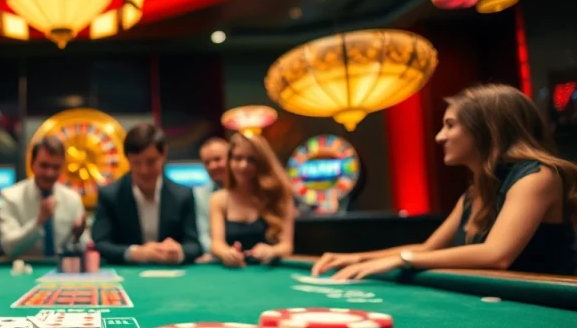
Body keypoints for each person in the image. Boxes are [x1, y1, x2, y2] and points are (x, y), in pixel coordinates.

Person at [312, 84, 577, 278]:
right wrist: (358, 257)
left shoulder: (537, 176)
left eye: (450, 125)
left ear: (486, 129)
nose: (440, 137)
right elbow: (427, 248)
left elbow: (496, 255)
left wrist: (403, 260)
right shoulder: (474, 193)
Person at [92, 123, 201, 264]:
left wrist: (179, 251)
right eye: (136, 163)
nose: (144, 170)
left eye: (151, 161)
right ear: (127, 159)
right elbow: (100, 244)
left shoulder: (183, 195)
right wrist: (136, 252)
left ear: (164, 154)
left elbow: (194, 245)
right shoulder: (110, 195)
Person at [209, 133, 295, 268]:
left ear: (262, 163)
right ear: (229, 161)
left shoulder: (280, 195)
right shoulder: (219, 199)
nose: (243, 165)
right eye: (238, 158)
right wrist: (227, 253)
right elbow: (217, 244)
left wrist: (271, 250)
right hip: (233, 271)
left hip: (268, 271)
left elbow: (286, 246)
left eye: (251, 160)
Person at [0, 137, 87, 257]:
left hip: (60, 267)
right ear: (32, 164)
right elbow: (8, 247)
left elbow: (84, 248)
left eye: (56, 167)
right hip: (24, 267)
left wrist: (77, 236)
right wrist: (38, 222)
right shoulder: (10, 197)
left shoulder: (73, 199)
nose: (49, 173)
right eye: (44, 166)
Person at [193, 137, 229, 262]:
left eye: (217, 159)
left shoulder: (248, 191)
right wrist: (224, 253)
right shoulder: (198, 194)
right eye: (207, 163)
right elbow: (203, 235)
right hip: (217, 259)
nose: (212, 166)